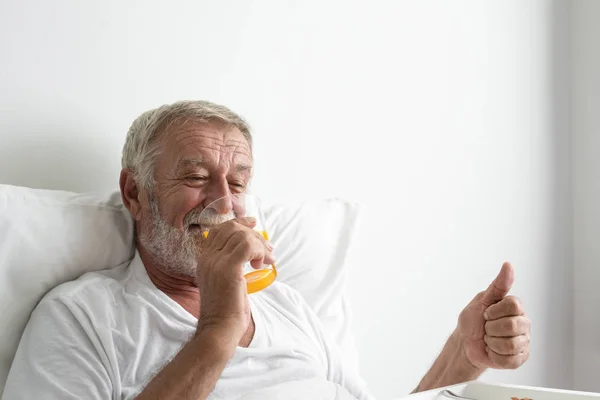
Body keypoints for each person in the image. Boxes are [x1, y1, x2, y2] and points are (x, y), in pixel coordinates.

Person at [2, 100, 531, 400]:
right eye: (195, 177)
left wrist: (461, 358)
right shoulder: (84, 316)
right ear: (135, 193)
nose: (224, 203)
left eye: (238, 181)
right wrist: (219, 327)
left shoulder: (290, 307)